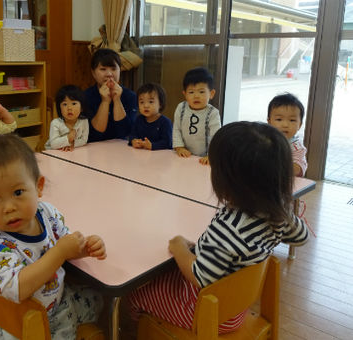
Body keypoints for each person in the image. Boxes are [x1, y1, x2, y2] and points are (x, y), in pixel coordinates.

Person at [129, 121, 309, 334]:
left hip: (209, 313)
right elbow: (302, 236)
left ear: (229, 181)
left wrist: (179, 247)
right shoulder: (277, 213)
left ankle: (146, 332)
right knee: (164, 276)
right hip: (237, 304)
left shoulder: (230, 228)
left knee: (135, 293)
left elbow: (199, 277)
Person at [0, 134, 107, 340]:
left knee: (99, 298)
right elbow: (17, 289)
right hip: (18, 318)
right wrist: (60, 252)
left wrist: (85, 248)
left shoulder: (47, 213)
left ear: (38, 186)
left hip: (56, 301)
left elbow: (65, 244)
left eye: (18, 192)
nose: (9, 207)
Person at [84, 48, 137, 142]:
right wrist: (105, 101)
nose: (109, 74)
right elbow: (95, 134)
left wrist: (117, 100)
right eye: (103, 69)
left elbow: (126, 132)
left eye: (113, 69)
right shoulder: (85, 97)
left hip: (122, 149)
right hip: (94, 149)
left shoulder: (130, 96)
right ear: (93, 73)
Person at [172, 67, 221, 165]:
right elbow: (176, 129)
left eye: (201, 92)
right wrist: (179, 147)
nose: (196, 96)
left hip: (204, 158)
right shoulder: (181, 108)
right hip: (184, 156)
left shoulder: (213, 113)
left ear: (211, 94)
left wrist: (211, 155)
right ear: (185, 94)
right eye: (191, 92)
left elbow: (216, 136)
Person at [267, 92, 307, 177]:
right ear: (269, 122)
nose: (285, 125)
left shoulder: (296, 147)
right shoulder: (263, 139)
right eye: (279, 119)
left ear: (299, 125)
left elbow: (299, 168)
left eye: (292, 120)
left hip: (283, 182)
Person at [128, 83, 172, 150]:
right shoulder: (139, 119)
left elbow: (168, 143)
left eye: (151, 102)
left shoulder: (165, 122)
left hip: (160, 157)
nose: (146, 106)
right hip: (141, 155)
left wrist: (152, 146)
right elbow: (132, 135)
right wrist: (133, 141)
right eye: (142, 102)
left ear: (160, 104)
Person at [45, 85, 89, 151]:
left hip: (71, 152)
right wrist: (68, 138)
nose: (69, 108)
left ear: (81, 107)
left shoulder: (84, 121)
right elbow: (53, 144)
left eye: (74, 103)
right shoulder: (56, 123)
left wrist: (71, 144)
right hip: (53, 153)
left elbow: (84, 140)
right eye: (65, 104)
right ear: (59, 108)